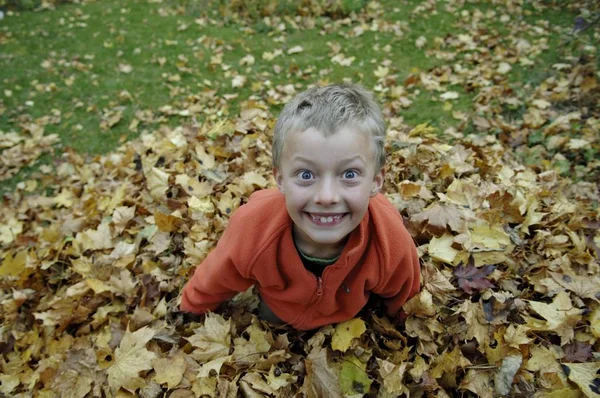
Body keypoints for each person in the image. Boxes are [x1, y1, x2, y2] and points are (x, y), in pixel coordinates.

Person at [180, 83, 421, 330]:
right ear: (281, 180)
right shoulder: (253, 229)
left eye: (349, 174)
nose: (326, 197)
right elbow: (217, 277)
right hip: (279, 311)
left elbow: (405, 295)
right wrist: (190, 311)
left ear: (375, 181)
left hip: (349, 320)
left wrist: (405, 329)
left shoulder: (389, 240)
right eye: (306, 175)